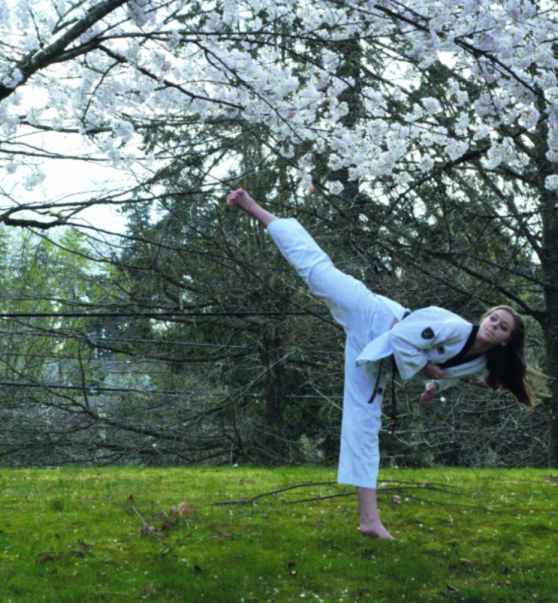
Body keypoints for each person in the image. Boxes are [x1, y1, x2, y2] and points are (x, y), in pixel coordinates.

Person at [226, 188, 539, 539]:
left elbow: (450, 371)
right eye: (494, 318)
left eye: (502, 326)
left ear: (506, 340)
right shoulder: (455, 329)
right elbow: (404, 337)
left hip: (374, 355)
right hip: (372, 314)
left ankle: (369, 521)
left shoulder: (480, 360)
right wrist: (424, 370)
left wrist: (434, 384)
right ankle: (253, 207)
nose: (493, 324)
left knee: (363, 427)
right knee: (317, 273)